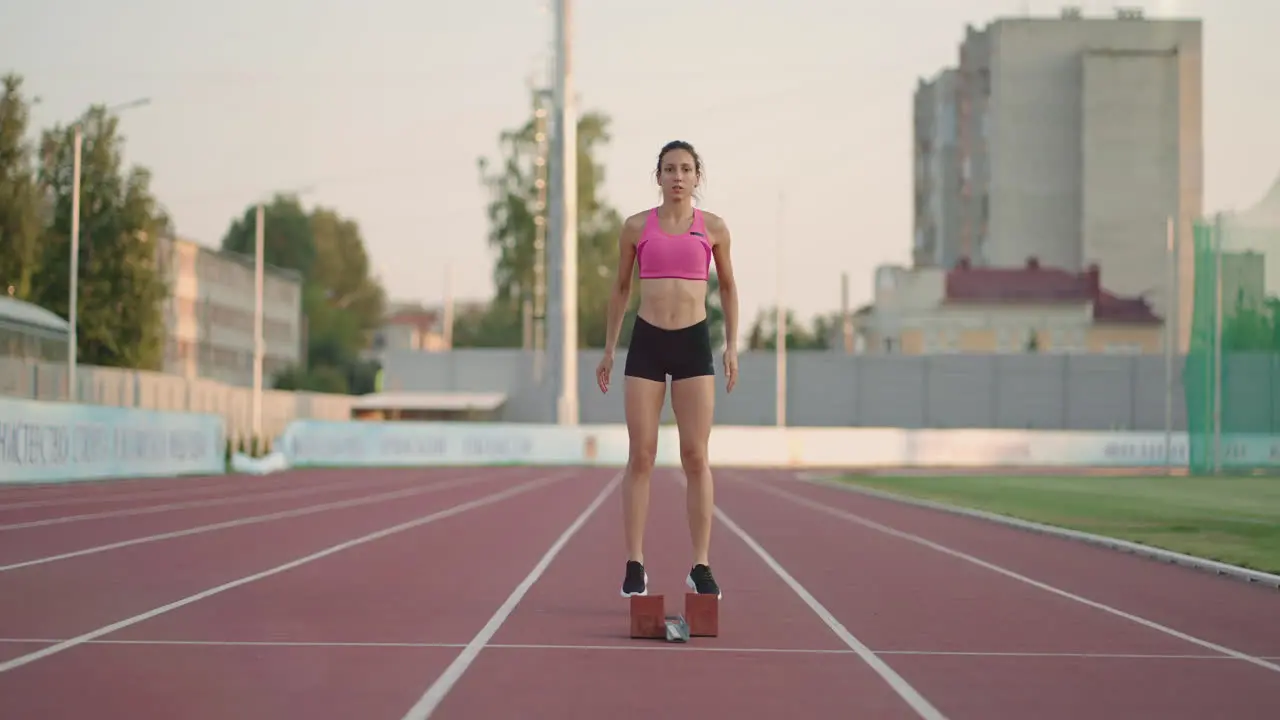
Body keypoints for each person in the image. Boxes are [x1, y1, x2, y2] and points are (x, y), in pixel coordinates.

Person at [595, 140, 739, 600]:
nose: (677, 176)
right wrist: (609, 349)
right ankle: (635, 562)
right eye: (669, 169)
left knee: (696, 456)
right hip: (648, 343)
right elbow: (620, 290)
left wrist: (732, 345)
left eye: (686, 169)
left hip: (694, 343)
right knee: (642, 455)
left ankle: (700, 565)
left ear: (698, 177)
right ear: (657, 177)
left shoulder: (713, 229)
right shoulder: (636, 228)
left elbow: (731, 289)